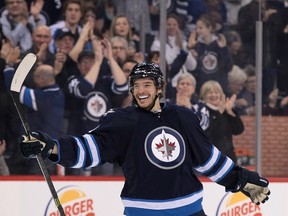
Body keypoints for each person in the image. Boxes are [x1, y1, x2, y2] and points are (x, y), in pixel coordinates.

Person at [19, 62, 270, 215]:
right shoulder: (121, 122)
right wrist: (50, 146)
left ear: (159, 88)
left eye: (147, 85)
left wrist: (241, 180)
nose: (141, 91)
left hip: (189, 211)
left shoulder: (182, 118)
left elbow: (208, 159)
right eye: (136, 86)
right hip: (142, 212)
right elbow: (90, 148)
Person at [198, 80, 244, 163]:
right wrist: (219, 113)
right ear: (204, 95)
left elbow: (239, 130)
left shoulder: (226, 110)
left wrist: (230, 112)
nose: (214, 95)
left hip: (228, 158)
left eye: (216, 92)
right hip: (210, 159)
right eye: (210, 92)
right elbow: (208, 134)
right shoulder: (201, 111)